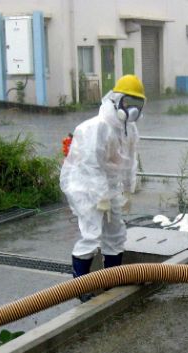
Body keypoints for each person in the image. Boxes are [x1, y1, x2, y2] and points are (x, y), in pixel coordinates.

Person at [60, 74, 145, 302]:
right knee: (92, 233)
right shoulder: (96, 128)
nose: (132, 111)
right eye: (128, 103)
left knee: (116, 232)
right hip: (84, 184)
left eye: (137, 105)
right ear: (116, 100)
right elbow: (89, 165)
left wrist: (128, 189)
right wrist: (100, 196)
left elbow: (130, 161)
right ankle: (80, 287)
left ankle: (111, 280)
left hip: (109, 186)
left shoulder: (129, 129)